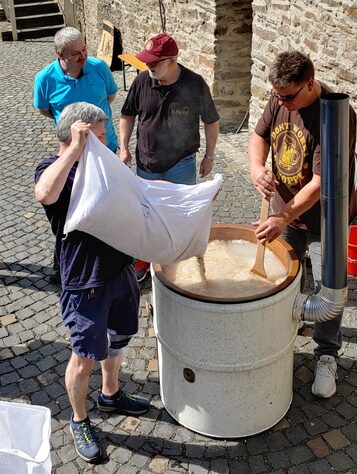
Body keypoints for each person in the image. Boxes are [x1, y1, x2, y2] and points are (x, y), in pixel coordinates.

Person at [34, 102, 150, 463]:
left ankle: (111, 394)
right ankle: (79, 418)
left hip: (120, 273)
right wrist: (74, 149)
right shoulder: (55, 170)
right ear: (74, 137)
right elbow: (44, 194)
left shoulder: (104, 165)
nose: (106, 144)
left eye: (105, 137)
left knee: (117, 342)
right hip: (86, 282)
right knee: (84, 357)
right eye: (97, 138)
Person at [248, 50, 357, 398]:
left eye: (288, 97)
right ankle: (285, 336)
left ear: (309, 83)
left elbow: (321, 184)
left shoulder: (335, 114)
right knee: (287, 279)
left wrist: (282, 218)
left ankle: (327, 354)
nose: (281, 102)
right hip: (286, 213)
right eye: (278, 96)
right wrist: (256, 168)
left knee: (329, 289)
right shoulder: (281, 96)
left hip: (325, 219)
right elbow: (259, 136)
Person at [119, 33, 220, 281]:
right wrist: (123, 147)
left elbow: (212, 121)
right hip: (146, 164)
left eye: (155, 62)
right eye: (147, 62)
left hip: (181, 165)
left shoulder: (194, 84)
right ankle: (143, 261)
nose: (149, 66)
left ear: (173, 60)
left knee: (181, 215)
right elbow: (128, 115)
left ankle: (179, 265)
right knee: (146, 216)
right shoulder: (142, 81)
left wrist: (209, 155)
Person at [34, 26, 119, 285]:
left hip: (106, 150)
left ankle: (108, 258)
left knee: (106, 207)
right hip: (72, 157)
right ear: (60, 54)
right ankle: (64, 265)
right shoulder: (45, 79)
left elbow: (111, 96)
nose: (83, 56)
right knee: (69, 214)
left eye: (85, 49)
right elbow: (45, 110)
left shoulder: (99, 68)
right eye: (76, 54)